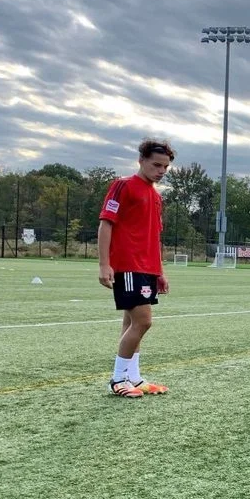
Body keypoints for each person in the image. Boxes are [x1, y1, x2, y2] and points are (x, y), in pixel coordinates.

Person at [97, 139, 174, 398]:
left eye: (165, 167)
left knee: (131, 321)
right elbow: (106, 223)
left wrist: (159, 271)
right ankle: (118, 379)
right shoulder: (123, 186)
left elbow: (154, 236)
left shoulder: (155, 196)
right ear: (141, 161)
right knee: (143, 322)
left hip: (147, 267)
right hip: (128, 265)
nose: (161, 170)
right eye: (156, 165)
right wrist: (104, 264)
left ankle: (134, 377)